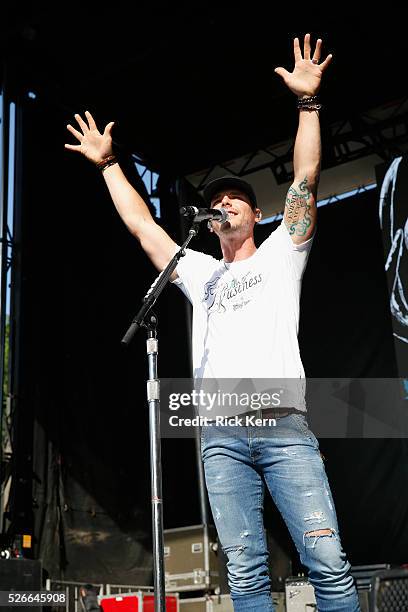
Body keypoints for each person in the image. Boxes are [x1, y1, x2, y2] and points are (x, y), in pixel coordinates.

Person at [65, 34, 360, 612]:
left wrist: (307, 104)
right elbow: (143, 228)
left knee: (326, 562)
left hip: (282, 426)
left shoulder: (283, 253)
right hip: (221, 435)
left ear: (254, 213)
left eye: (234, 199)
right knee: (245, 573)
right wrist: (108, 166)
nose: (222, 205)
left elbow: (305, 176)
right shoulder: (198, 271)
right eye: (216, 200)